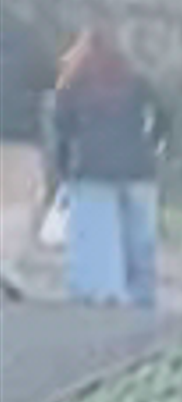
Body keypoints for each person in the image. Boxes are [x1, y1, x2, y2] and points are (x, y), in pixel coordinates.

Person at [42, 24, 165, 312]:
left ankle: (103, 297)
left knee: (96, 240)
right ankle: (142, 298)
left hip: (91, 168)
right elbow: (164, 113)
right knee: (139, 240)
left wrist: (62, 168)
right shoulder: (136, 81)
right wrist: (154, 142)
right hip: (138, 166)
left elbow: (61, 129)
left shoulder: (73, 86)